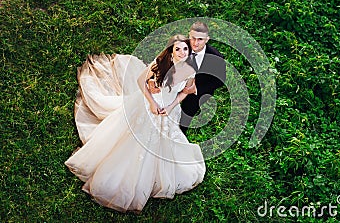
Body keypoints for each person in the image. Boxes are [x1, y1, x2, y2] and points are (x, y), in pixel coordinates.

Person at [65, 35, 206, 213]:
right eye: (177, 49)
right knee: (137, 139)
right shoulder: (160, 64)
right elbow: (141, 81)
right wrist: (152, 104)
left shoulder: (190, 70)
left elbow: (184, 92)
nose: (182, 52)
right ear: (171, 50)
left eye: (185, 49)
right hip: (148, 106)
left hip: (168, 111)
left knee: (163, 141)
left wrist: (170, 107)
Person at [150, 22, 226, 133]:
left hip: (195, 91)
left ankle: (179, 134)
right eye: (193, 38)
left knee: (186, 116)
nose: (195, 43)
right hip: (170, 84)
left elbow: (220, 80)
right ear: (189, 35)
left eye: (200, 39)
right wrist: (151, 79)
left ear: (207, 39)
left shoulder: (216, 58)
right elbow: (163, 61)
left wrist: (196, 89)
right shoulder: (182, 46)